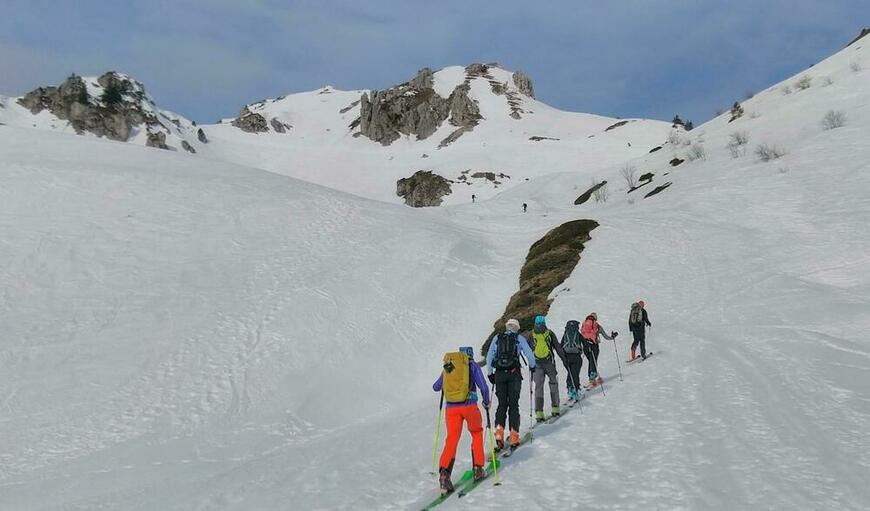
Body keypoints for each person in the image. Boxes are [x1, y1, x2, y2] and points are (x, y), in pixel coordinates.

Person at [433, 346, 491, 493]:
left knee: (452, 439)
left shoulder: (450, 365)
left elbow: (436, 386)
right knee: (476, 433)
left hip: (451, 408)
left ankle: (444, 475)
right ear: (470, 355)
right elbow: (483, 386)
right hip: (469, 405)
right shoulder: (472, 365)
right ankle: (478, 468)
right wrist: (486, 401)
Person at [486, 318, 535, 451]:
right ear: (517, 327)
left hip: (499, 375)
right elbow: (530, 356)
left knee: (502, 405)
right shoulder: (519, 338)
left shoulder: (497, 337)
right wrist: (533, 367)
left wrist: (491, 373)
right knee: (514, 405)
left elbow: (489, 356)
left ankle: (499, 435)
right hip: (514, 375)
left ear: (507, 326)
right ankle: (514, 436)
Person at [529, 315, 568, 422]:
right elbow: (558, 348)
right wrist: (565, 361)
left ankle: (539, 413)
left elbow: (528, 351)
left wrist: (530, 365)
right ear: (544, 322)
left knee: (538, 387)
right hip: (549, 363)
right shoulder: (549, 333)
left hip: (537, 364)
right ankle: (555, 408)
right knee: (553, 383)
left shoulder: (531, 334)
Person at [580, 312, 617, 388]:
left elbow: (582, 334)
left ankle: (592, 377)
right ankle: (592, 379)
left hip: (585, 346)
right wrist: (612, 337)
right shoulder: (597, 326)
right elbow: (606, 336)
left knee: (591, 361)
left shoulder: (584, 324)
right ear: (595, 319)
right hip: (594, 346)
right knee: (593, 361)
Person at [560, 319, 584, 401]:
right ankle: (575, 391)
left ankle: (570, 389)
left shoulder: (565, 334)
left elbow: (560, 345)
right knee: (575, 374)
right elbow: (585, 344)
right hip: (576, 356)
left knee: (570, 373)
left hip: (566, 357)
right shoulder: (578, 334)